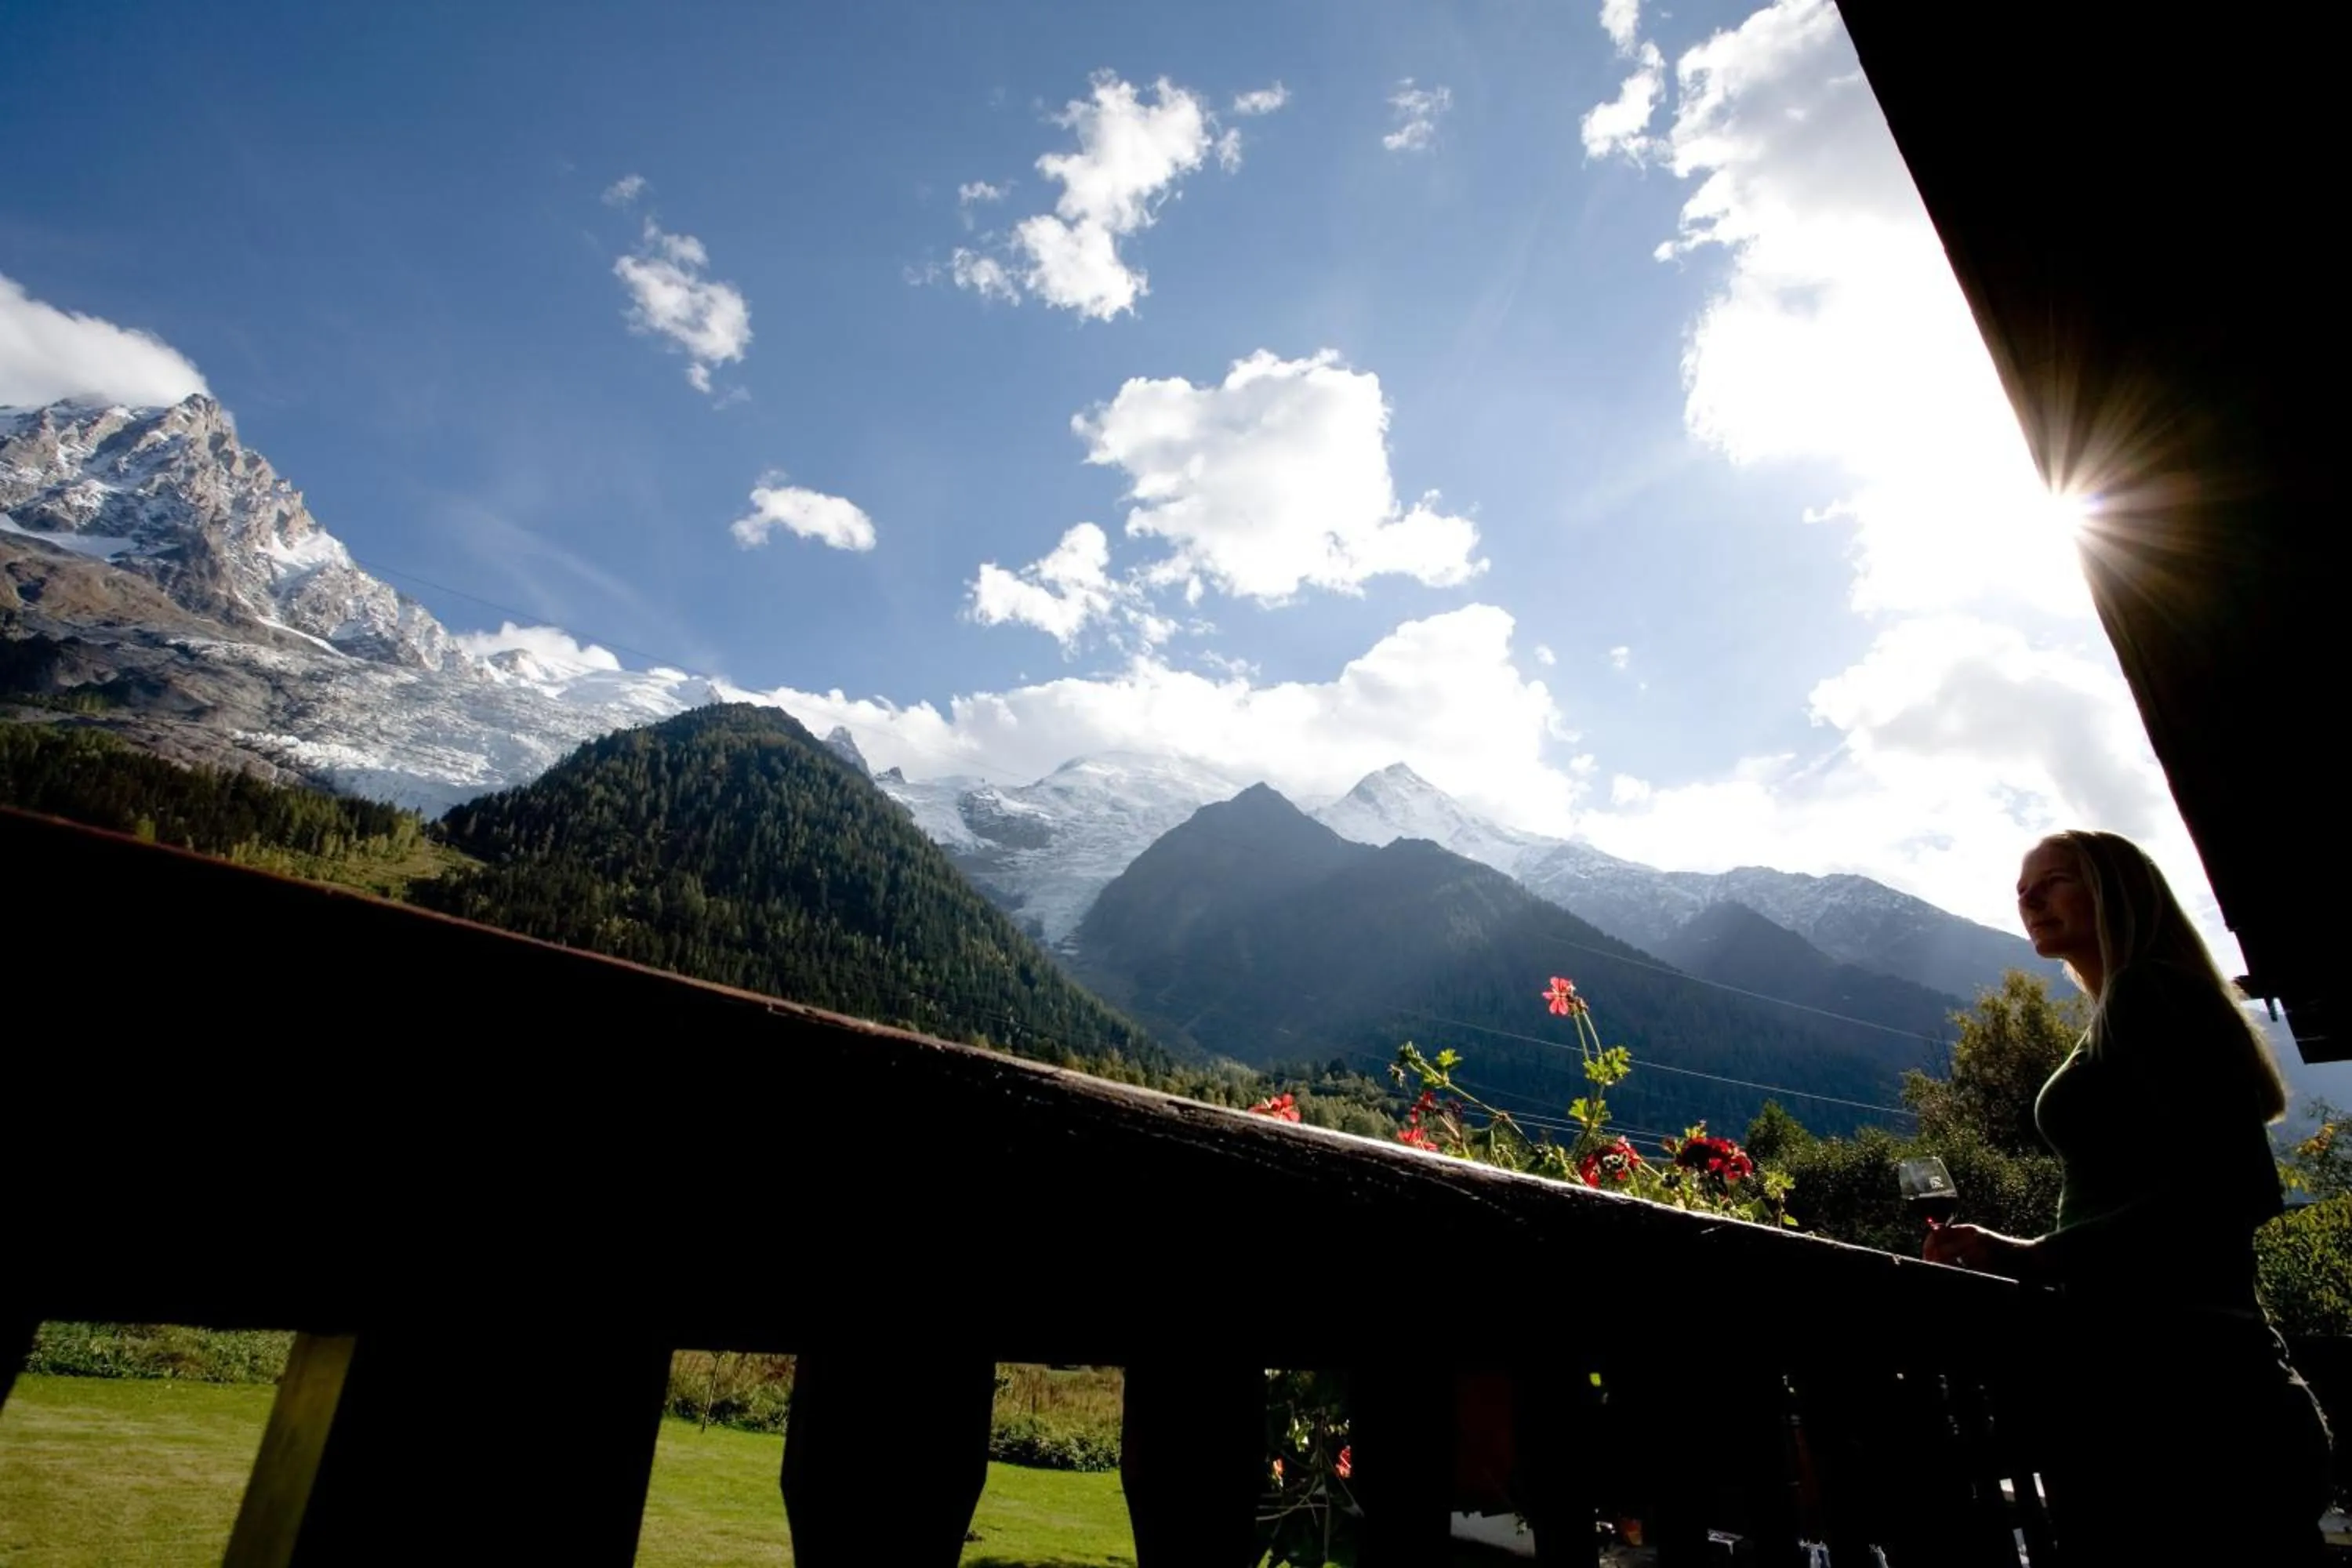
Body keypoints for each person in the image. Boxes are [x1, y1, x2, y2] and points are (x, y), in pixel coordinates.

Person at [1923, 829, 2332, 1563]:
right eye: (2022, 889)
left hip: (2185, 1394)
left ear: (2114, 891)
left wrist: (2035, 1255)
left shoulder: (2150, 991)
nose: (2030, 899)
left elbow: (2229, 1188)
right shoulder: (2132, 1003)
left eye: (2055, 881)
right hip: (2200, 1374)